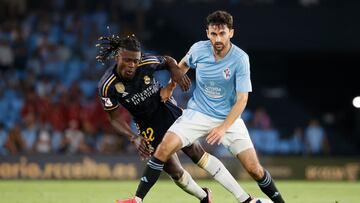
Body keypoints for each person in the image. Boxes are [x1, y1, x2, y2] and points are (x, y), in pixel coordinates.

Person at [120, 11, 285, 203]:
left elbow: (242, 101)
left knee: (255, 170)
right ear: (207, 33)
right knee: (163, 148)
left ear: (231, 33)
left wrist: (223, 128)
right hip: (198, 113)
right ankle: (137, 200)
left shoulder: (240, 59)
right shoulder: (199, 49)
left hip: (229, 119)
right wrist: (170, 87)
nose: (217, 38)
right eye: (213, 34)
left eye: (222, 33)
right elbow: (181, 65)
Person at [96, 34, 252, 203]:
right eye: (127, 60)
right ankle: (204, 196)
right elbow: (114, 117)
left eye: (135, 60)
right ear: (118, 56)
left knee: (195, 153)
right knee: (174, 171)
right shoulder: (107, 85)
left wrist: (175, 75)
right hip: (146, 125)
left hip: (166, 109)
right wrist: (133, 137)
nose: (132, 65)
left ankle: (243, 197)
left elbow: (169, 60)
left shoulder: (146, 63)